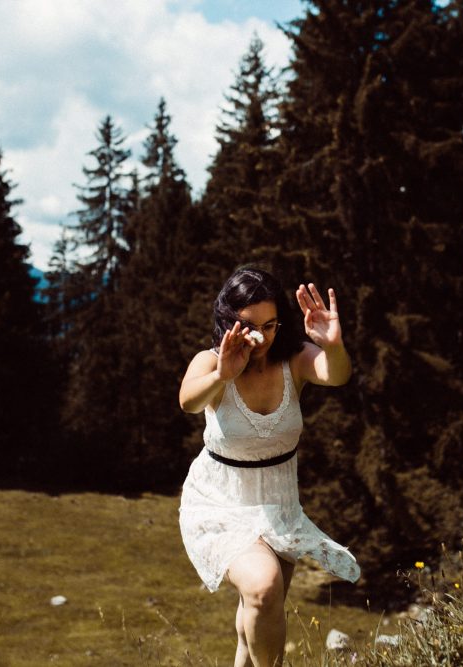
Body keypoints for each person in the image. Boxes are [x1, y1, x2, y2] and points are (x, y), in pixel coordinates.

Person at [178, 267, 359, 667]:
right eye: (248, 325)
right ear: (228, 319)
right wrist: (222, 375)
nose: (260, 336)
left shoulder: (293, 359)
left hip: (279, 504)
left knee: (260, 611)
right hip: (222, 501)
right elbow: (188, 401)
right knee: (263, 587)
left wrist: (333, 346)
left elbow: (336, 375)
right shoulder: (211, 361)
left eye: (269, 325)